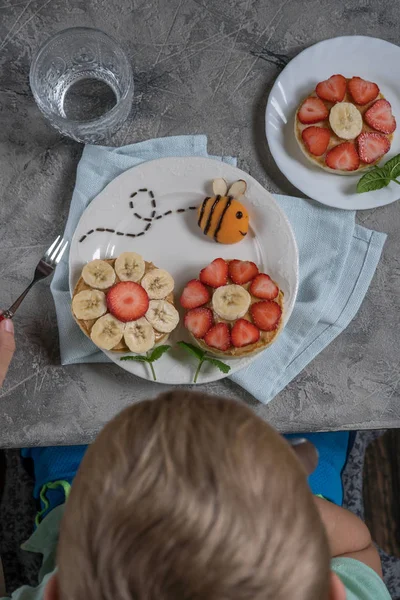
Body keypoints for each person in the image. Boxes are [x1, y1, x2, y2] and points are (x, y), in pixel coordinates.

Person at [0, 318, 391, 600]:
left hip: (84, 474)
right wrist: (286, 506)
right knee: (327, 409)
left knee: (50, 410)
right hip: (286, 488)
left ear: (55, 592)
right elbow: (356, 549)